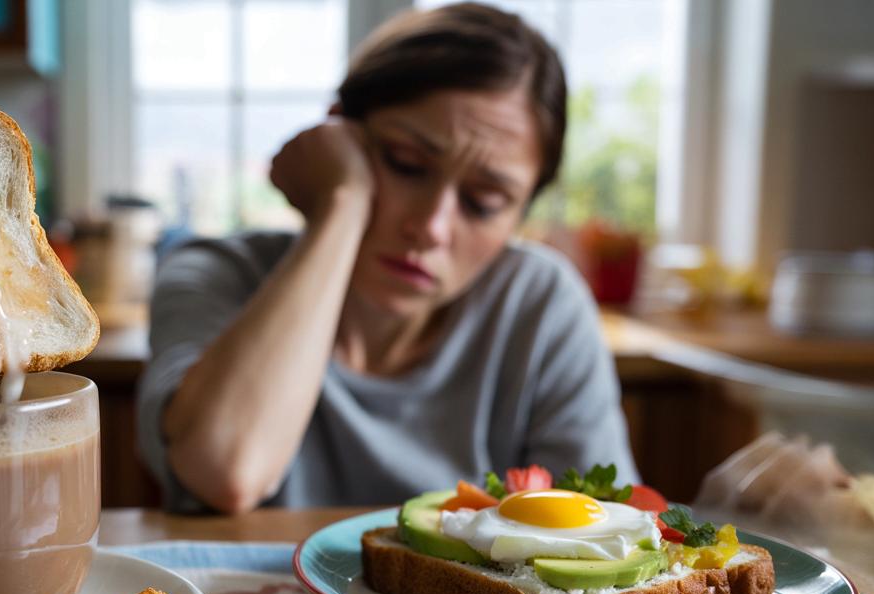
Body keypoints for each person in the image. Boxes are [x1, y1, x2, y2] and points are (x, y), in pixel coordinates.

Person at [137, 2, 639, 514]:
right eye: (405, 164)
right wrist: (340, 205)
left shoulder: (542, 305)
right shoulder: (212, 273)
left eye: (483, 203)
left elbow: (608, 524)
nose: (431, 227)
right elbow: (225, 470)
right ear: (337, 138)